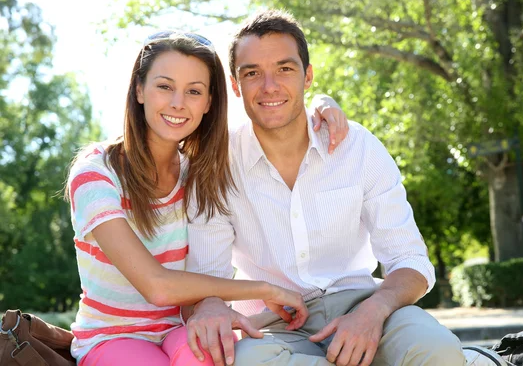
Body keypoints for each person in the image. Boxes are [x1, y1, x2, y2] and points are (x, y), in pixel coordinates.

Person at [185, 10, 466, 366]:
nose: (269, 85)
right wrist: (208, 304)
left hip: (366, 304)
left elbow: (411, 261)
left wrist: (374, 311)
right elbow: (206, 279)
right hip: (277, 327)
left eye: (285, 69)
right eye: (252, 73)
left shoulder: (358, 147)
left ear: (308, 76)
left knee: (436, 349)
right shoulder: (216, 165)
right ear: (235, 85)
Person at [65, 30, 346, 366]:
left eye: (194, 91)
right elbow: (157, 287)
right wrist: (265, 290)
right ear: (139, 90)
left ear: (210, 102)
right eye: (164, 86)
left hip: (183, 326)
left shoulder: (201, 172)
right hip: (112, 337)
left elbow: (272, 122)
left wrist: (320, 103)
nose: (178, 103)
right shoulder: (96, 173)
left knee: (206, 358)